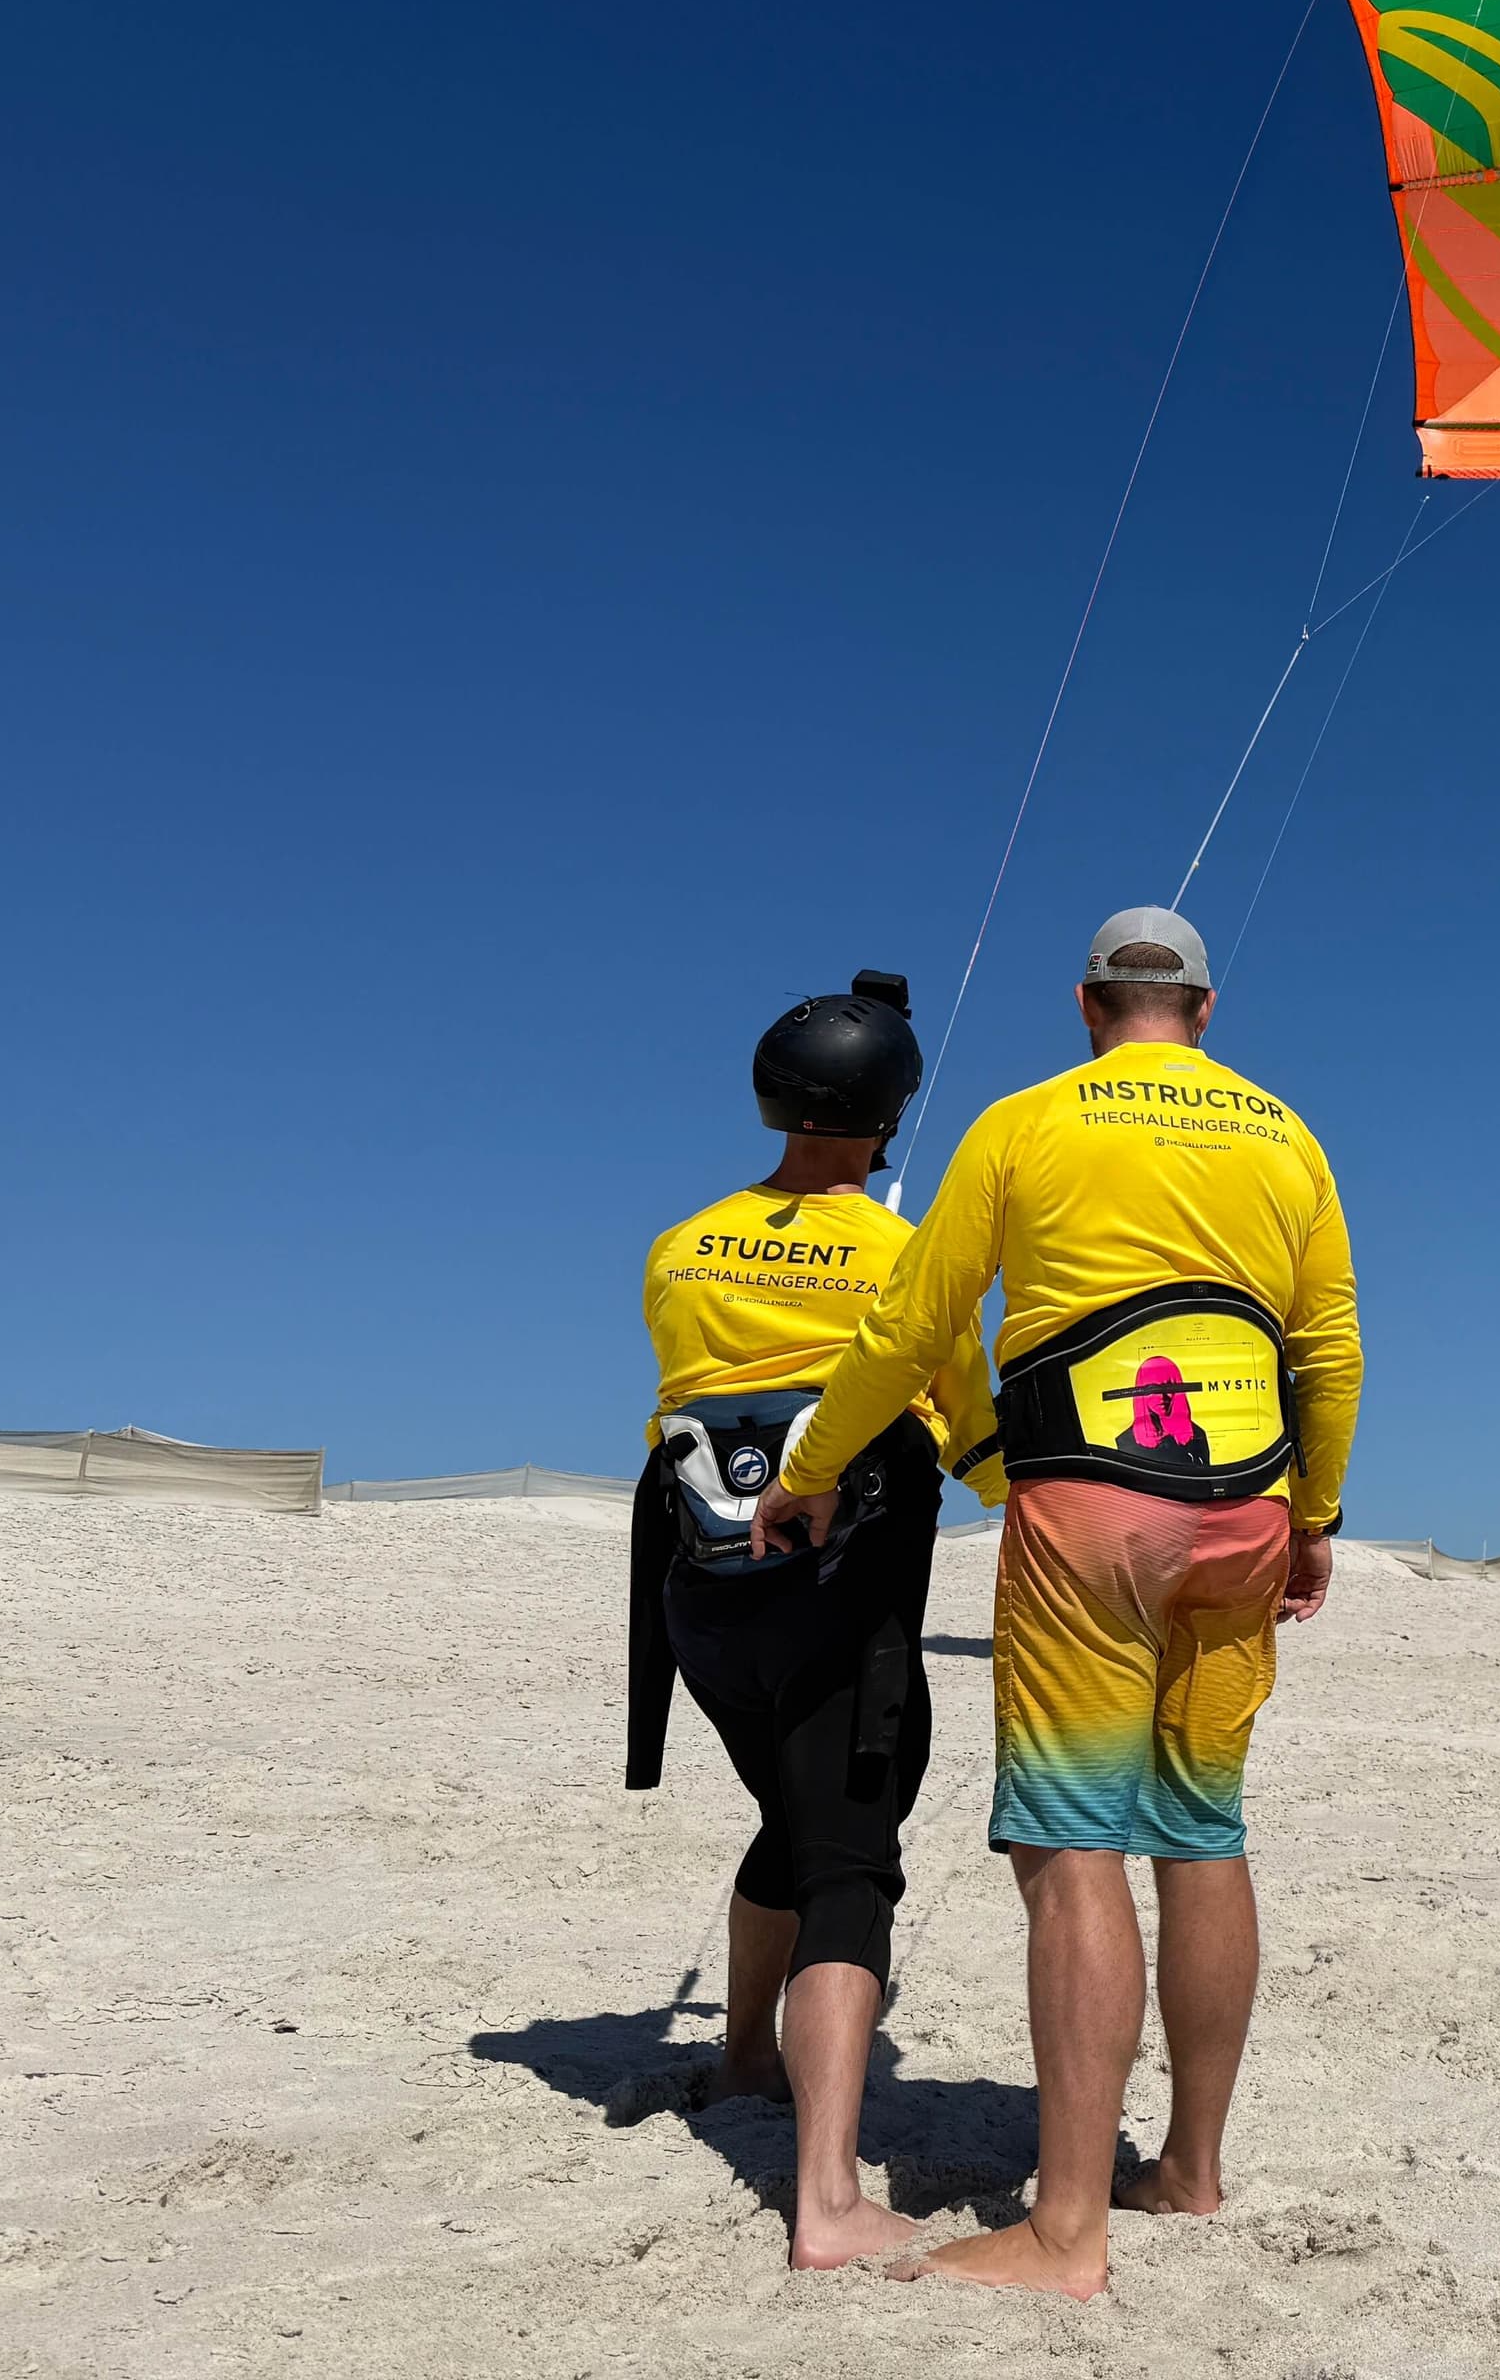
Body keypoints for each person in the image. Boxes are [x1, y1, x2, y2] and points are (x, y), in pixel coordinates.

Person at [761, 907, 1360, 2302]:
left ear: (1090, 1006)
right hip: (1249, 1505)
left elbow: (913, 1327)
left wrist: (810, 1468)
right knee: (1203, 1832)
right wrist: (1315, 1518)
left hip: (1090, 1506)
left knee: (1075, 1845)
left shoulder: (1028, 1122)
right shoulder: (1287, 1136)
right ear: (1205, 1011)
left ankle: (1066, 2230)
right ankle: (1191, 2174)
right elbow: (1328, 1346)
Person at [626, 972, 1007, 2270]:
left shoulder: (679, 1243)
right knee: (852, 1861)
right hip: (839, 1596)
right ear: (893, 1111)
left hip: (703, 1605)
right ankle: (830, 2202)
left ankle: (744, 2063)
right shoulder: (905, 1255)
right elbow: (971, 1429)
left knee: (790, 1823)